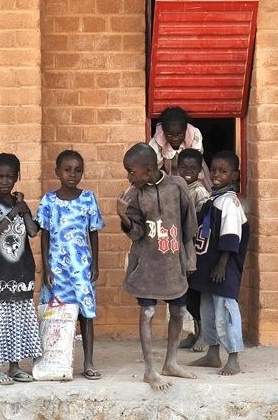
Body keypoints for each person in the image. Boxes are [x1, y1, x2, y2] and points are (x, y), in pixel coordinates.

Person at [116, 143, 198, 390]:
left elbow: (188, 227)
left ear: (150, 169)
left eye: (132, 172)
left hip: (174, 264)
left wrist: (190, 259)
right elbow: (137, 233)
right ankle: (150, 370)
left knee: (178, 313)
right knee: (148, 313)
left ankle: (171, 363)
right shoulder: (134, 194)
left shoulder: (177, 186)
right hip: (147, 265)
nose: (129, 177)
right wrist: (124, 217)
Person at [0, 152, 43, 385]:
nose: (4, 181)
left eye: (9, 176)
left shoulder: (19, 203)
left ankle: (15, 367)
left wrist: (22, 209)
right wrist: (12, 213)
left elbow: (33, 232)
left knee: (19, 321)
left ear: (17, 177)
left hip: (22, 271)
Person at [37, 149, 105, 380]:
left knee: (86, 315)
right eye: (67, 170)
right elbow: (44, 235)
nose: (72, 175)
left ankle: (88, 362)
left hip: (82, 268)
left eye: (77, 170)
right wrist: (45, 268)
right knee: (54, 315)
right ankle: (53, 361)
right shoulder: (48, 200)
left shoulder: (88, 198)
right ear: (57, 172)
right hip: (56, 269)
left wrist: (95, 264)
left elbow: (93, 232)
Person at [190, 150, 249, 376]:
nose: (216, 175)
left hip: (222, 268)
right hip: (207, 267)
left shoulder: (230, 203)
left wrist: (222, 264)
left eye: (223, 172)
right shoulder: (214, 198)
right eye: (213, 170)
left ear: (234, 176)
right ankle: (212, 353)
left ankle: (233, 357)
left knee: (225, 309)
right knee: (207, 311)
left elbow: (231, 235)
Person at [177, 148, 210, 350]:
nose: (187, 171)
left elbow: (203, 220)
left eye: (192, 168)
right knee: (186, 295)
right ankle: (195, 332)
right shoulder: (177, 188)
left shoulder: (199, 191)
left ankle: (204, 334)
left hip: (195, 249)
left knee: (196, 294)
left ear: (199, 170)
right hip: (180, 248)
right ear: (177, 168)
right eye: (183, 167)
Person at [149, 106, 212, 190]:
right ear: (164, 131)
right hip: (170, 171)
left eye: (180, 134)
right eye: (170, 135)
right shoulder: (159, 140)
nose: (175, 139)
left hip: (192, 169)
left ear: (185, 129)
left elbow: (196, 158)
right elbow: (155, 164)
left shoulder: (193, 135)